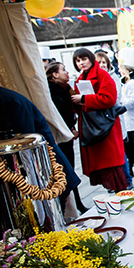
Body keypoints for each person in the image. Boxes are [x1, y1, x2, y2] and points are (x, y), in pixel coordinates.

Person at [0, 85, 81, 214]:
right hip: (33, 174)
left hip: (43, 171)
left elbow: (27, 143)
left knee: (52, 215)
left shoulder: (8, 100)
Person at [71, 48, 127, 192]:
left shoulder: (102, 75)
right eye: (78, 61)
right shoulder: (80, 78)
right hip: (91, 126)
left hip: (104, 127)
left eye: (83, 59)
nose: (81, 63)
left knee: (112, 166)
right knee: (104, 166)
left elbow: (109, 99)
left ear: (90, 59)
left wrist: (84, 99)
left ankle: (121, 194)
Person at [45, 62, 88, 214]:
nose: (67, 73)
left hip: (66, 136)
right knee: (67, 170)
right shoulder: (54, 92)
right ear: (55, 75)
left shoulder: (64, 90)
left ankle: (76, 204)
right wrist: (70, 130)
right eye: (63, 70)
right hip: (62, 138)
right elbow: (60, 115)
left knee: (69, 170)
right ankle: (73, 206)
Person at [96, 51, 133, 188]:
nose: (102, 65)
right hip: (100, 123)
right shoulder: (94, 79)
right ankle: (113, 182)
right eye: (99, 63)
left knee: (119, 152)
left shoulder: (113, 78)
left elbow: (113, 100)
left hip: (113, 120)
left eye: (104, 62)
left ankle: (127, 179)